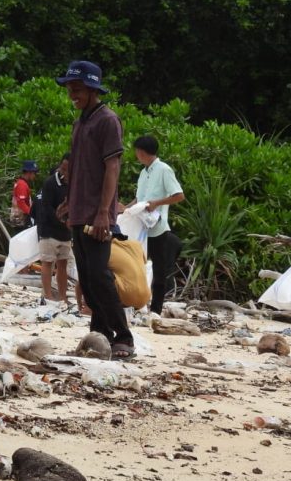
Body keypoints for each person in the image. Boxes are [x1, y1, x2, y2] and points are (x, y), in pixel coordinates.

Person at [56, 60, 134, 358]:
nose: (72, 94)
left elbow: (112, 167)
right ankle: (100, 334)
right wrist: (68, 200)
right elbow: (76, 166)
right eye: (70, 89)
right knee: (87, 279)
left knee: (99, 276)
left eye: (76, 89)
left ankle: (123, 335)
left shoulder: (107, 120)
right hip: (79, 210)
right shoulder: (80, 123)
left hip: (98, 214)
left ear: (91, 89)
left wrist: (105, 211)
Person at [133, 135, 185, 315]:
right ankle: (137, 303)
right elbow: (140, 197)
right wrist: (126, 207)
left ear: (142, 152)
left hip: (158, 227)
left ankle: (156, 309)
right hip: (141, 227)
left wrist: (157, 203)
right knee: (137, 264)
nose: (136, 155)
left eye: (137, 152)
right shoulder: (143, 172)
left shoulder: (164, 169)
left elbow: (178, 195)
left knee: (159, 269)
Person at [36, 154, 73, 306]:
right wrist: (63, 221)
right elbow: (46, 208)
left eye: (68, 169)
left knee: (63, 264)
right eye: (63, 168)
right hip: (48, 230)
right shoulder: (50, 183)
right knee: (47, 262)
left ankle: (63, 296)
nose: (64, 171)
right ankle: (48, 295)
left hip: (66, 232)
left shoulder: (75, 184)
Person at [108, 232, 150, 311]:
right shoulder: (137, 245)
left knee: (99, 272)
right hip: (145, 297)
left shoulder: (107, 249)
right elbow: (144, 262)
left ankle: (94, 310)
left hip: (126, 297)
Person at [10, 160, 38, 228]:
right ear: (29, 172)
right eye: (34, 173)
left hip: (20, 219)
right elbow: (21, 203)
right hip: (20, 221)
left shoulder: (21, 183)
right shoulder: (22, 185)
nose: (35, 176)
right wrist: (32, 213)